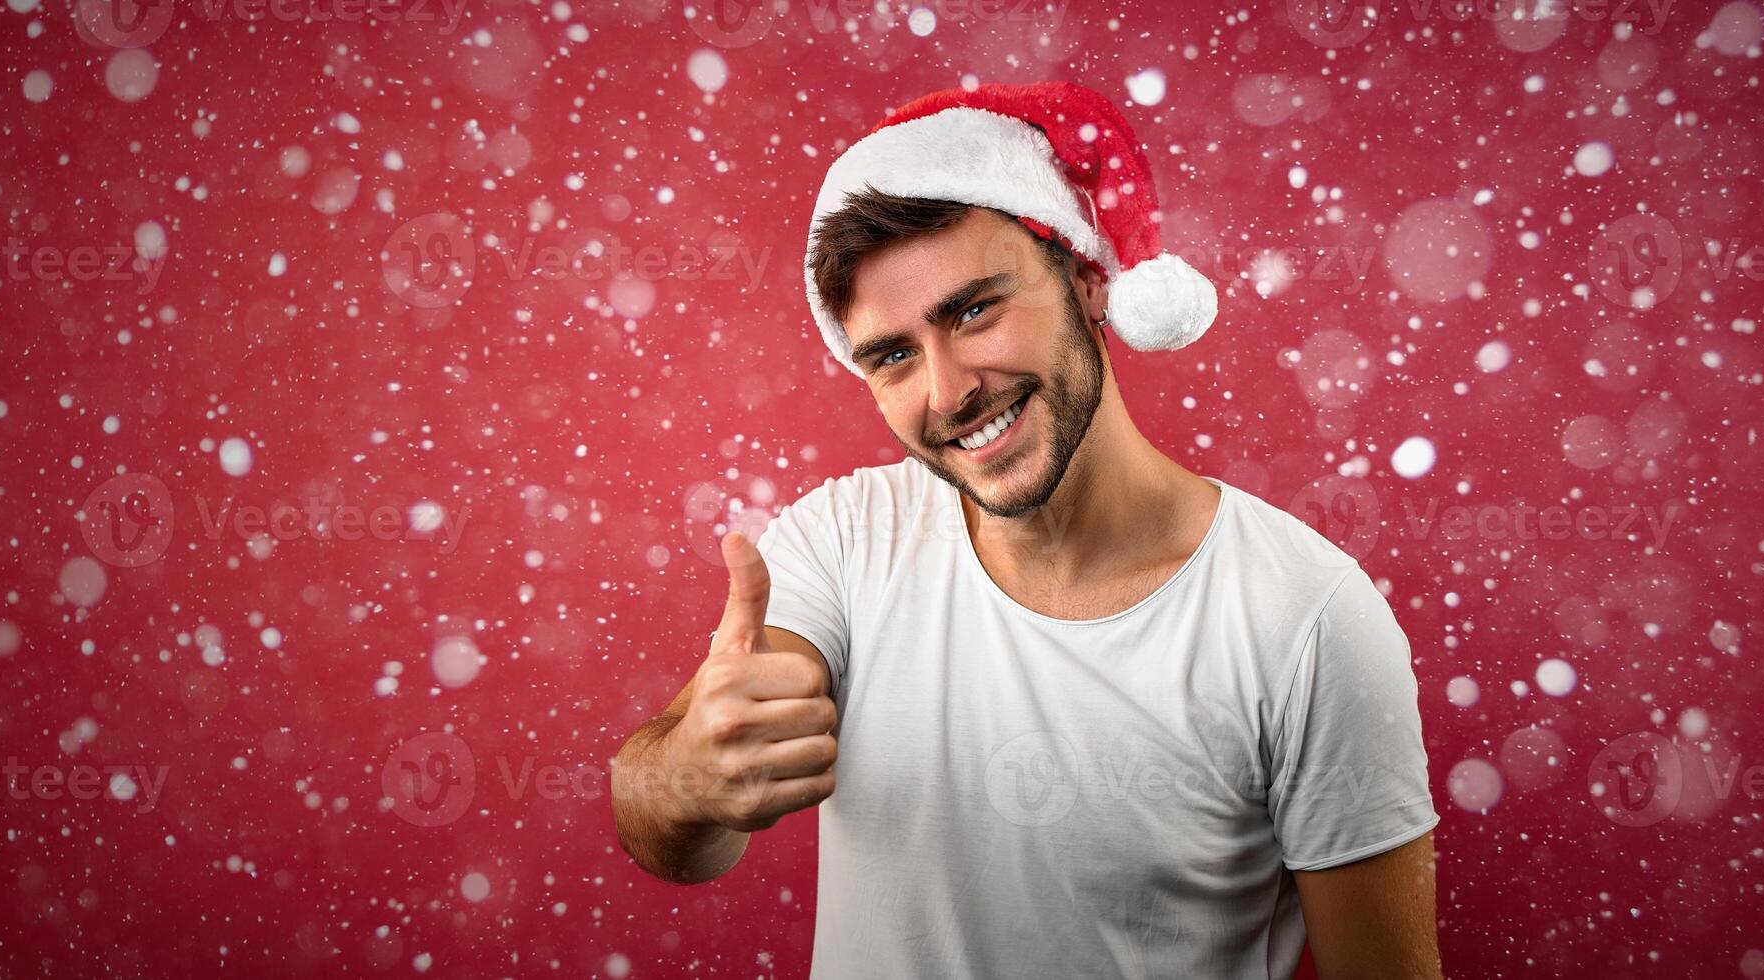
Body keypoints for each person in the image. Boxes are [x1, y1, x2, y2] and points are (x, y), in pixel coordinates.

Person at [612, 81, 1441, 980]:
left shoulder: (1305, 617)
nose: (948, 391)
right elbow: (672, 840)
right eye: (893, 356)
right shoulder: (839, 544)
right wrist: (690, 781)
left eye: (973, 310)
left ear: (1089, 279)